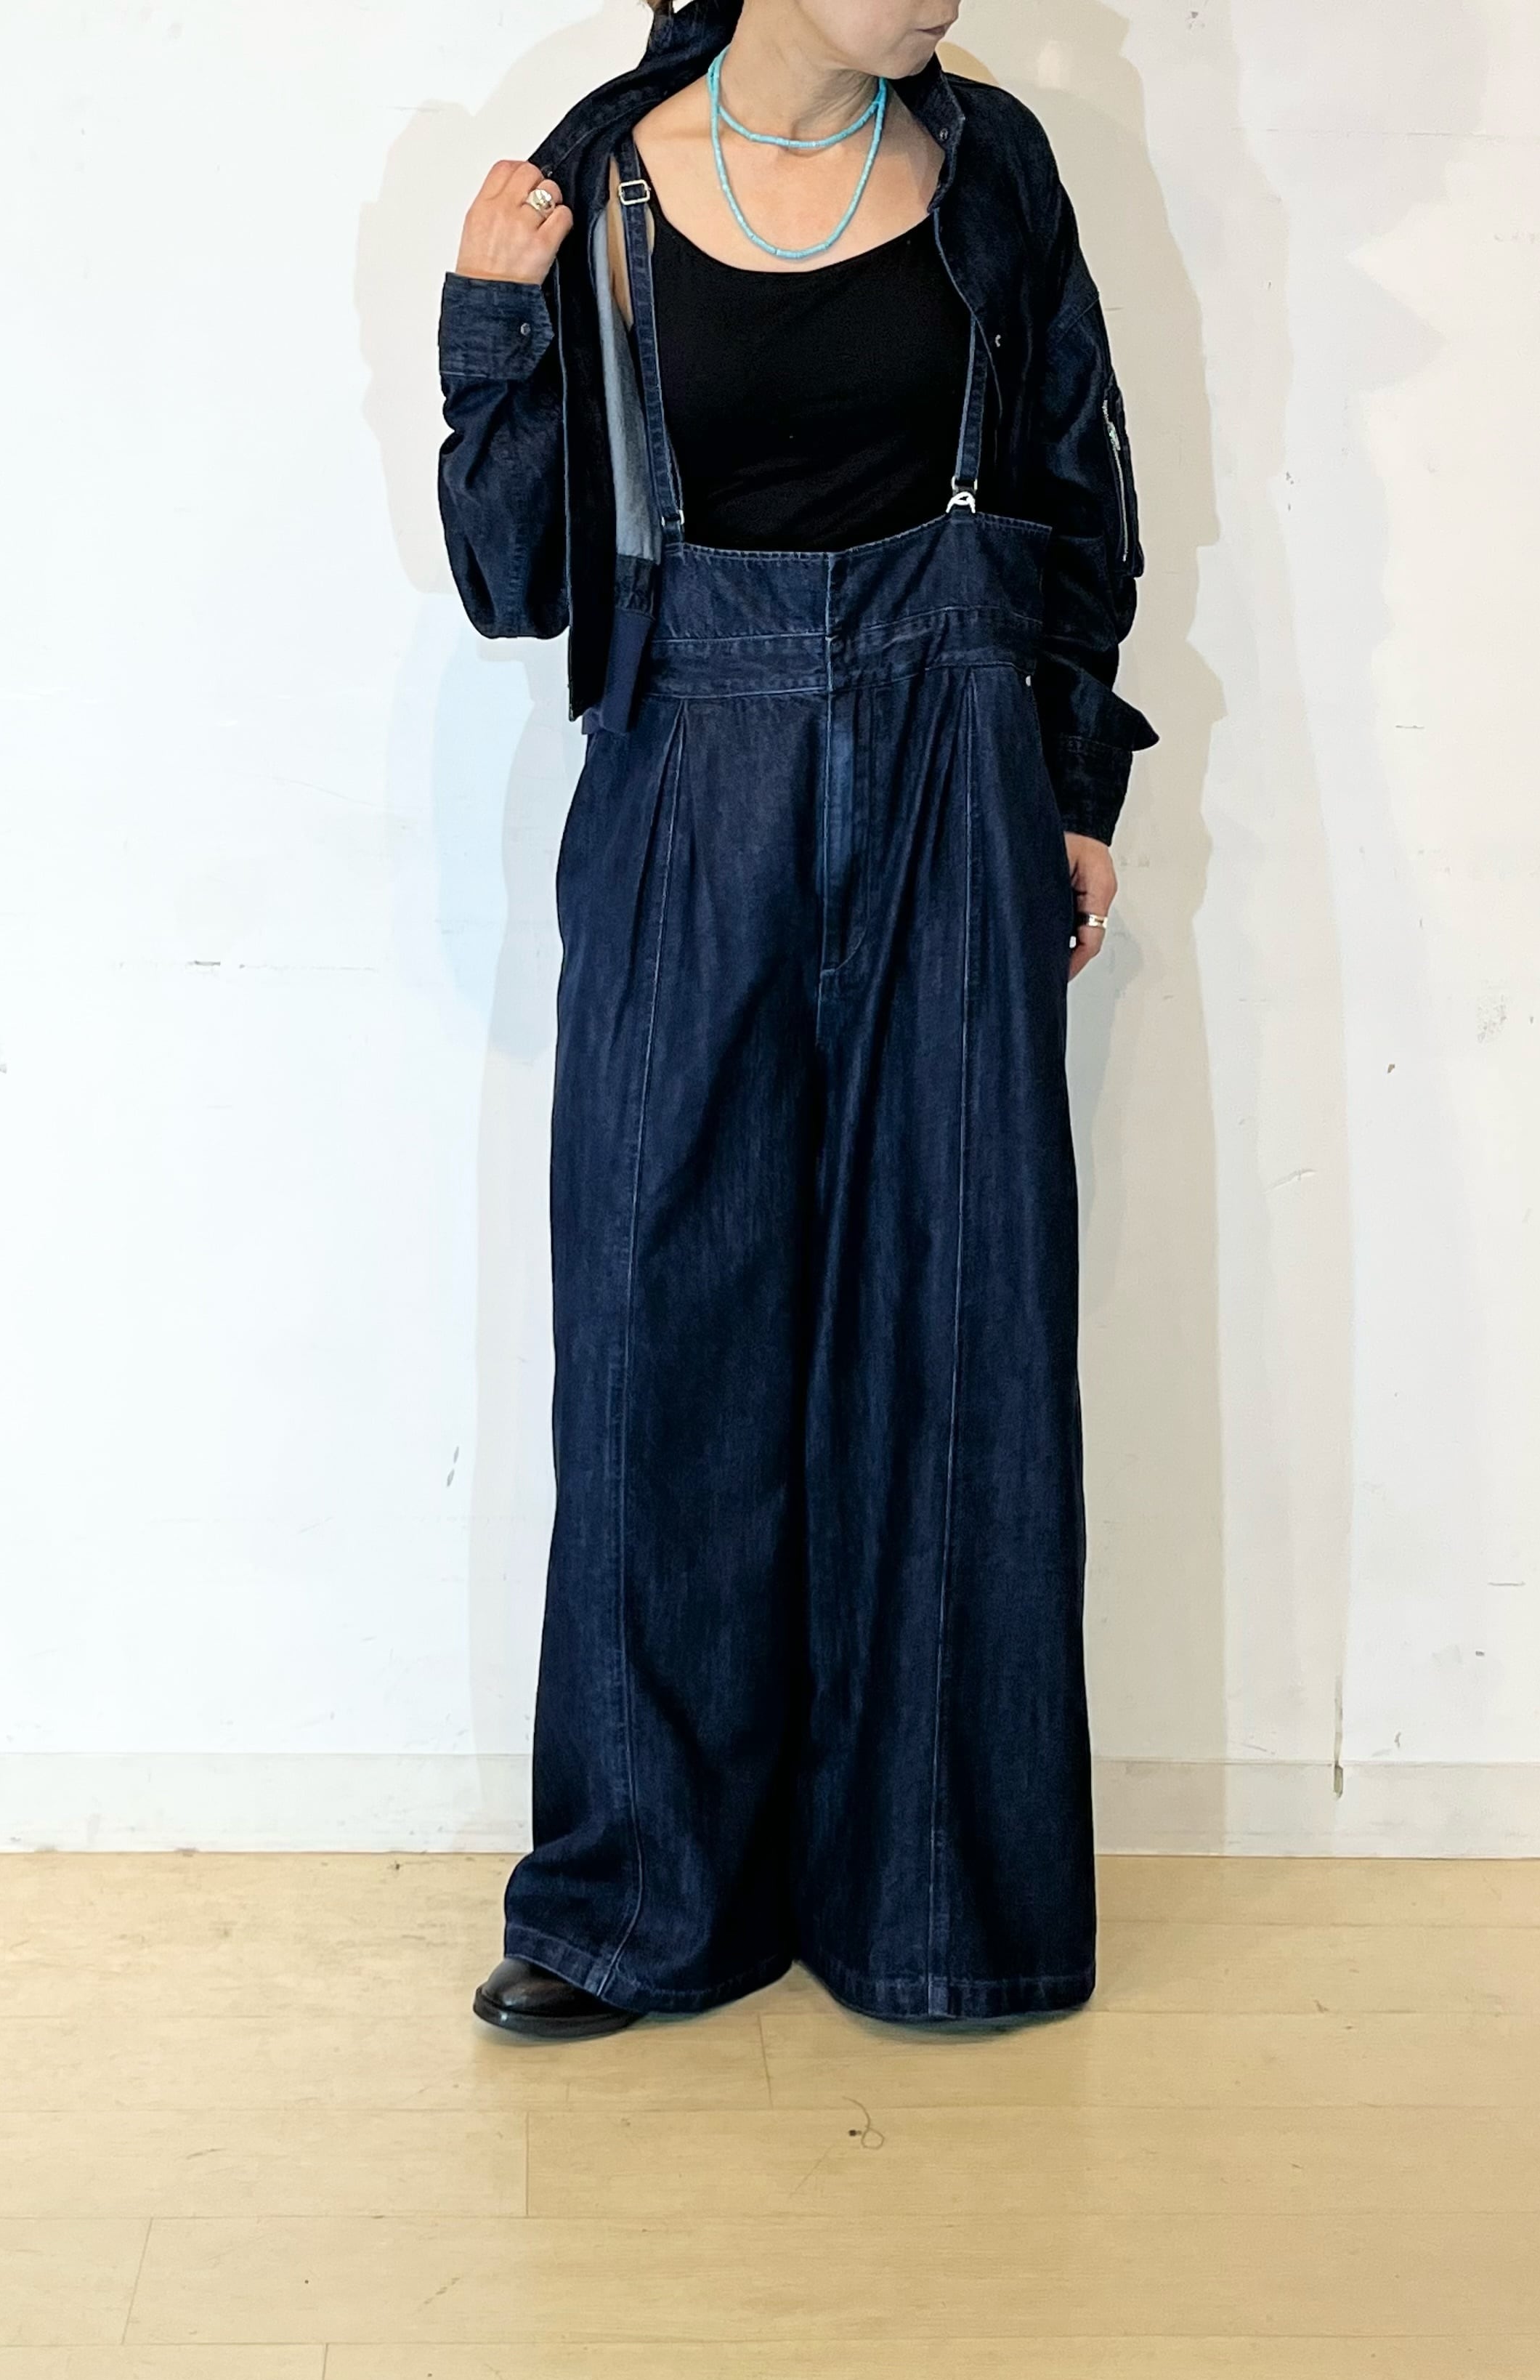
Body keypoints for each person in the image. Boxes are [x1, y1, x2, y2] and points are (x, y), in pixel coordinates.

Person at [437, 0, 1155, 2039]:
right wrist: (490, 329)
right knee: (661, 1331)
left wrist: (1073, 785)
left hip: (956, 769)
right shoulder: (599, 187)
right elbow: (514, 580)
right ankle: (635, 1903)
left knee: (956, 1323)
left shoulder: (995, 176)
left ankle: (939, 1904)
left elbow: (1075, 495)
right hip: (693, 778)